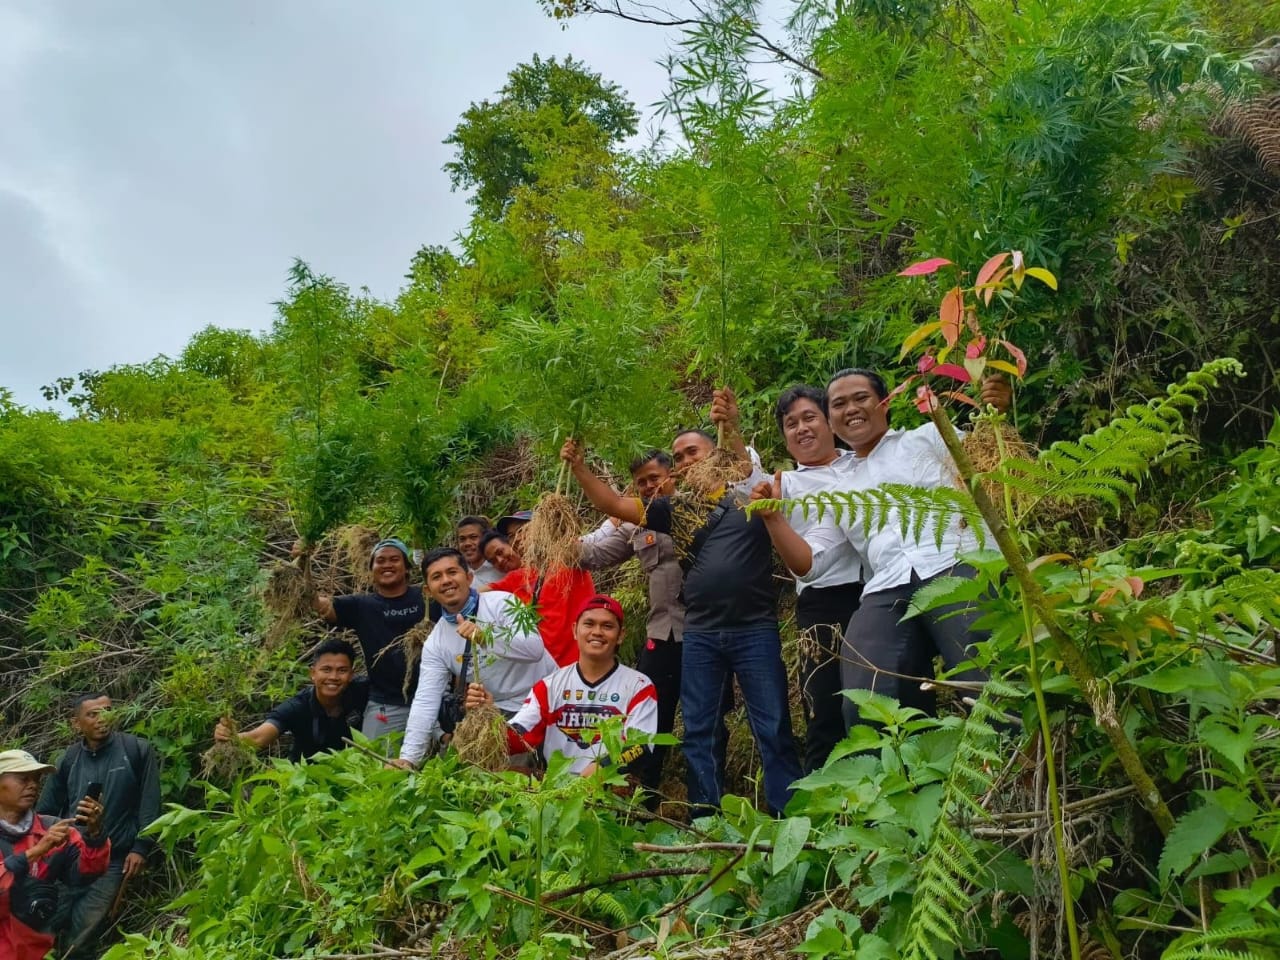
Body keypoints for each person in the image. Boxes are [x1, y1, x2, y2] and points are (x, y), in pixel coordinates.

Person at [561, 387, 803, 816]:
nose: (687, 460)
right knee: (699, 729)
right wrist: (579, 467)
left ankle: (787, 815)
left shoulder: (753, 494)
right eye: (679, 456)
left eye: (693, 451)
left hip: (754, 629)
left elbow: (745, 465)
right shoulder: (675, 511)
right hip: (701, 634)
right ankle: (704, 818)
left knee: (772, 725)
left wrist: (731, 424)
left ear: (716, 453)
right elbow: (612, 503)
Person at [823, 368, 1008, 723]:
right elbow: (818, 562)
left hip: (957, 559)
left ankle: (1011, 756)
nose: (851, 409)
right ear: (830, 421)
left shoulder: (929, 436)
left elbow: (990, 468)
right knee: (867, 697)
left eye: (861, 398)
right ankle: (905, 759)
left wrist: (994, 417)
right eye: (839, 404)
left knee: (987, 678)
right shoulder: (836, 492)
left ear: (884, 403)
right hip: (887, 585)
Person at [751, 385, 866, 772]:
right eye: (790, 423)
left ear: (830, 422)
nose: (801, 428)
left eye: (809, 417)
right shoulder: (784, 484)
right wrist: (731, 432)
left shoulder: (863, 462)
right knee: (824, 710)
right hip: (821, 605)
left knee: (879, 701)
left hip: (878, 594)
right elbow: (744, 476)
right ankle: (824, 800)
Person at [577, 450, 685, 790]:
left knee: (705, 720)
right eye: (641, 483)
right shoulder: (637, 520)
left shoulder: (697, 508)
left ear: (672, 475)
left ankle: (704, 801)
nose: (649, 486)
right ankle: (643, 798)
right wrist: (557, 537)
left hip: (702, 632)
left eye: (655, 478)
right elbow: (596, 555)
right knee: (646, 722)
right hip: (661, 633)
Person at [396, 548, 557, 768]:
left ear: (469, 577)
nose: (446, 580)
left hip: (548, 700)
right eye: (436, 577)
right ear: (427, 591)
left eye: (452, 572)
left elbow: (534, 648)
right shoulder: (436, 642)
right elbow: (426, 700)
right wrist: (409, 758)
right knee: (501, 776)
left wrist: (485, 638)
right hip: (498, 711)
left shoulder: (503, 602)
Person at [464, 594, 658, 776]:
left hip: (611, 787)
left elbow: (640, 746)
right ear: (574, 630)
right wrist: (489, 716)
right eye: (589, 624)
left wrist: (600, 770)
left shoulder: (639, 687)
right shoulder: (549, 686)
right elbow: (518, 739)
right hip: (556, 788)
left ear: (621, 635)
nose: (597, 632)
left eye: (607, 626)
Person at [37, 693, 160, 958]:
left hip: (112, 860)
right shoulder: (68, 759)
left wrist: (141, 847)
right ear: (76, 723)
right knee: (44, 926)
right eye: (92, 714)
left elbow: (150, 803)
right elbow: (45, 811)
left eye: (107, 711)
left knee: (84, 933)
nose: (102, 719)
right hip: (68, 859)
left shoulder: (136, 750)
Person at [0, 749, 108, 960]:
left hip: (31, 948)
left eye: (36, 779)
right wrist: (35, 852)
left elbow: (85, 875)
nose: (33, 785)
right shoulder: (48, 838)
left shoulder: (52, 829)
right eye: (23, 779)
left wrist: (95, 835)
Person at [311, 537, 424, 740]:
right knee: (373, 758)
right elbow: (318, 605)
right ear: (371, 569)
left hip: (433, 698)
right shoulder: (361, 606)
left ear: (407, 567)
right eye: (380, 561)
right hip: (385, 703)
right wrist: (303, 563)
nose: (387, 564)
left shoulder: (427, 597)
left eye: (394, 559)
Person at [213, 639, 369, 761]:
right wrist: (230, 737)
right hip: (305, 780)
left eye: (342, 670)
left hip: (355, 775)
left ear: (351, 675)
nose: (333, 677)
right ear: (313, 673)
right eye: (326, 670)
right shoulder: (297, 707)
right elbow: (259, 737)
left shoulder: (365, 692)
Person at [478, 530, 596, 668]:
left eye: (500, 552)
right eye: (493, 561)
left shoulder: (565, 558)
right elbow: (475, 595)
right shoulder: (513, 580)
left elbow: (597, 539)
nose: (499, 560)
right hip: (549, 669)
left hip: (586, 659)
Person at [457, 516, 502, 588]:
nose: (467, 543)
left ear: (485, 538)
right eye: (462, 539)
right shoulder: (457, 572)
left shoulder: (500, 568)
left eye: (473, 537)